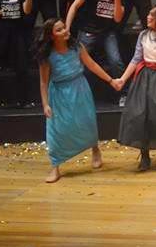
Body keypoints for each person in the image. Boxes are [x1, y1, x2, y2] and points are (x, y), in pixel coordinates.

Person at [36, 19, 115, 183]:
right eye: (59, 30)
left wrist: (111, 80)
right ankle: (55, 166)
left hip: (79, 88)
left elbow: (92, 64)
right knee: (56, 129)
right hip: (59, 93)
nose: (65, 31)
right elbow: (43, 82)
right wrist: (45, 104)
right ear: (51, 36)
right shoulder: (47, 56)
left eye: (64, 27)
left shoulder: (77, 47)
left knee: (87, 121)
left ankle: (95, 149)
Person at [114, 7, 156, 170]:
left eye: (152, 15)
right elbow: (136, 59)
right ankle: (144, 155)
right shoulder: (143, 35)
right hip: (145, 78)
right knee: (140, 115)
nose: (148, 17)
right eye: (149, 14)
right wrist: (123, 79)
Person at [65, 0, 126, 103]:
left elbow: (117, 18)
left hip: (108, 31)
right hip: (88, 30)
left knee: (116, 61)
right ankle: (77, 94)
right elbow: (74, 6)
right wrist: (67, 28)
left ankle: (123, 94)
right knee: (78, 61)